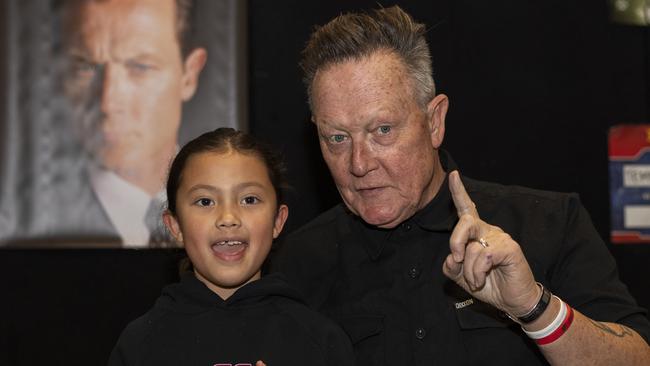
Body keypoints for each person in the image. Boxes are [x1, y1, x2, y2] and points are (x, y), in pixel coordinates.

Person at [270, 6, 650, 365]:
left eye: (382, 130)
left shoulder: (547, 224)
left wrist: (535, 309)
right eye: (336, 138)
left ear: (434, 121)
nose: (359, 163)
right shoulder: (297, 264)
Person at [108, 128, 355, 365]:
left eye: (249, 199)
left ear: (277, 221)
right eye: (205, 201)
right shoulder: (141, 344)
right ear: (175, 226)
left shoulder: (320, 340)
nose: (228, 217)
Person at [61, 0, 206, 246]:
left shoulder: (237, 209)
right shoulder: (29, 214)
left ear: (189, 75)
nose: (108, 101)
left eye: (140, 67)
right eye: (85, 67)